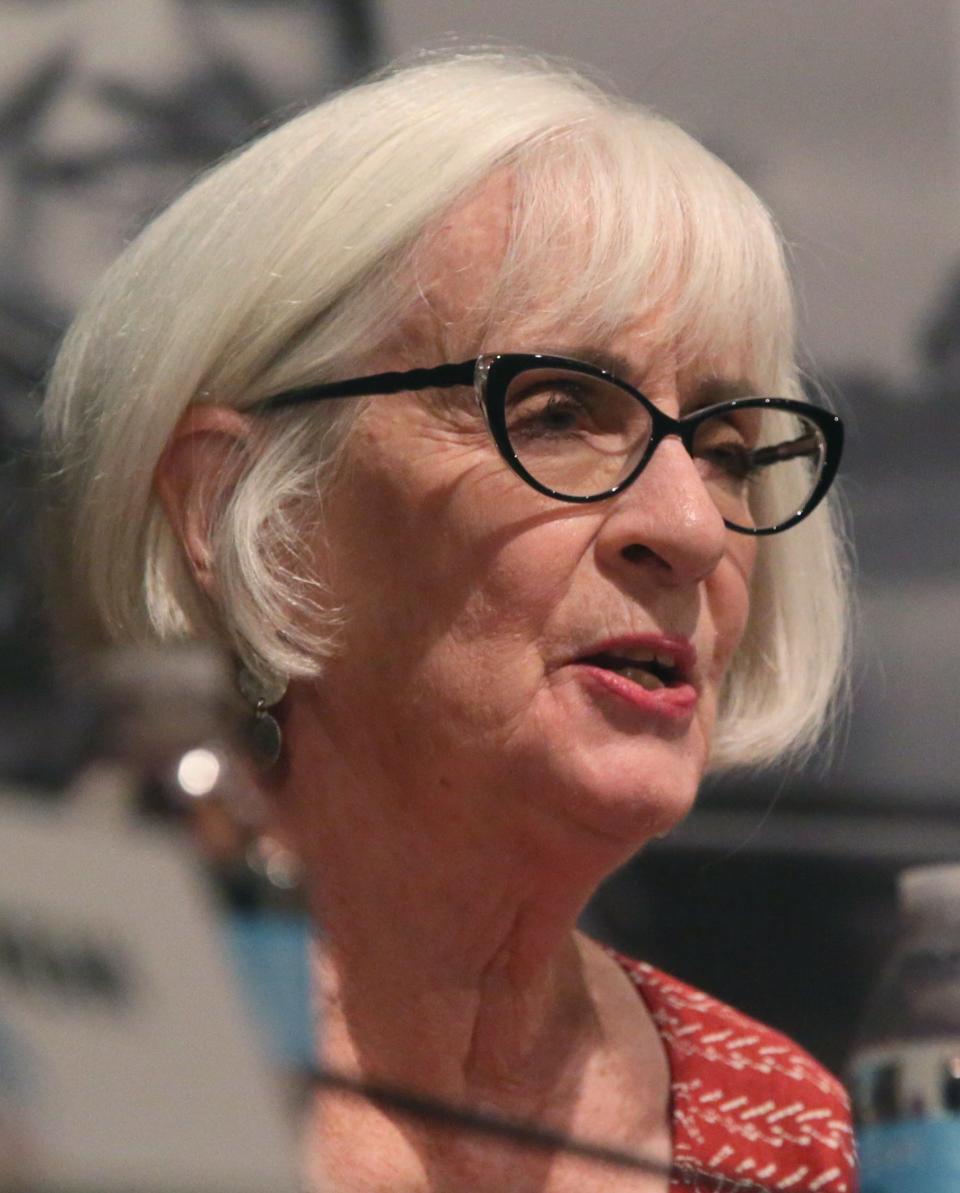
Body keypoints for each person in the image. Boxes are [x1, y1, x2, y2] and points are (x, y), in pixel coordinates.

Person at [41, 51, 856, 1193]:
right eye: (558, 410)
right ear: (238, 512)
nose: (693, 527)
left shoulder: (780, 1131)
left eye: (726, 449)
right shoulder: (46, 1036)